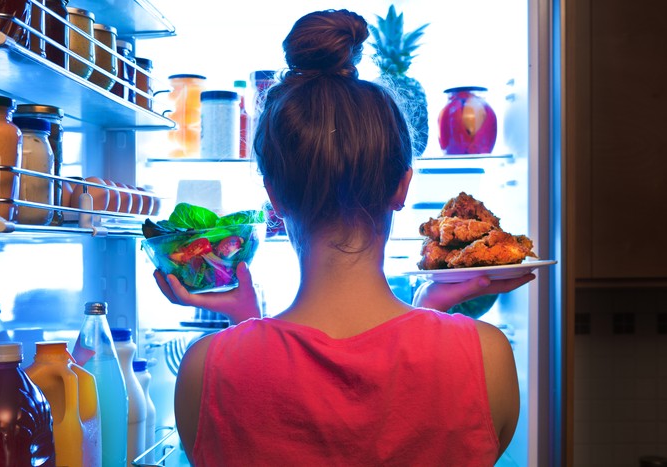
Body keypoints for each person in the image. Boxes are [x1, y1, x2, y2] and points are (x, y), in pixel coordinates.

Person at [154, 9, 534, 466]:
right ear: (402, 186)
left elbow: (264, 393)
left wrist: (246, 327)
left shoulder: (204, 369)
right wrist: (429, 313)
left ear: (273, 197)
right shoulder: (487, 356)